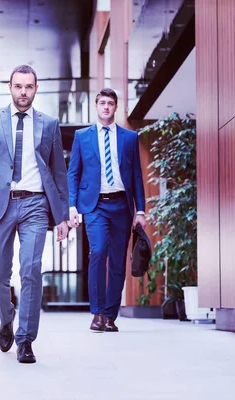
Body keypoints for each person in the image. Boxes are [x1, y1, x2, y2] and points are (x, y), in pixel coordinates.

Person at [0, 65, 69, 363]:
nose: (23, 92)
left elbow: (59, 173)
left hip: (36, 205)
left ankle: (25, 339)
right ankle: (6, 317)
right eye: (18, 86)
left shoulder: (49, 124)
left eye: (29, 86)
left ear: (36, 89)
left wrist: (62, 215)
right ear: (9, 87)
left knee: (31, 269)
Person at [67, 88, 146, 332]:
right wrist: (72, 206)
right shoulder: (82, 136)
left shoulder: (130, 138)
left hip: (122, 205)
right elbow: (73, 173)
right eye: (102, 103)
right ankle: (97, 313)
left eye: (110, 103)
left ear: (116, 107)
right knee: (98, 252)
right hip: (94, 205)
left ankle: (111, 316)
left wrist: (140, 210)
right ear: (96, 106)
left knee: (117, 262)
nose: (106, 107)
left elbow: (136, 176)